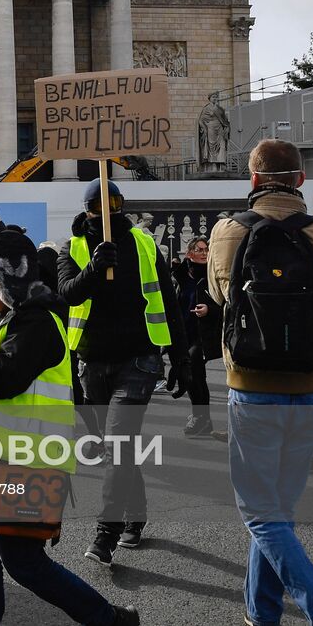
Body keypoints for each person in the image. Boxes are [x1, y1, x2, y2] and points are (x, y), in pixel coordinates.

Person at [206, 139, 313, 626]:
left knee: (260, 514)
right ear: (300, 180)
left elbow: (219, 298)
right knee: (278, 512)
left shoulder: (227, 231)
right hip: (311, 384)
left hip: (250, 384)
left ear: (253, 181)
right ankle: (262, 612)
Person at [0, 228, 139, 626]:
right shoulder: (14, 320)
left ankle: (108, 620)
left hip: (23, 464)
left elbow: (3, 379)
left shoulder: (38, 322)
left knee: (24, 563)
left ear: (9, 276)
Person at [57, 179, 188, 564]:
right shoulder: (74, 247)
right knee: (118, 448)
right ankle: (135, 516)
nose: (108, 210)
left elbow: (168, 298)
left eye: (114, 201)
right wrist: (96, 269)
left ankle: (106, 532)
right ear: (87, 210)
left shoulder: (145, 243)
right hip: (92, 364)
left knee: (119, 444)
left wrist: (180, 357)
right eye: (99, 205)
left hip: (140, 360)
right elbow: (68, 293)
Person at [172, 237, 222, 438]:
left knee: (193, 363)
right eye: (199, 249)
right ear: (189, 253)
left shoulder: (215, 276)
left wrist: (210, 309)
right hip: (186, 332)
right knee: (192, 375)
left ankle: (200, 417)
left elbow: (229, 304)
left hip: (207, 333)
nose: (204, 253)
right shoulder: (181, 276)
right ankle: (202, 419)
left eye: (206, 250)